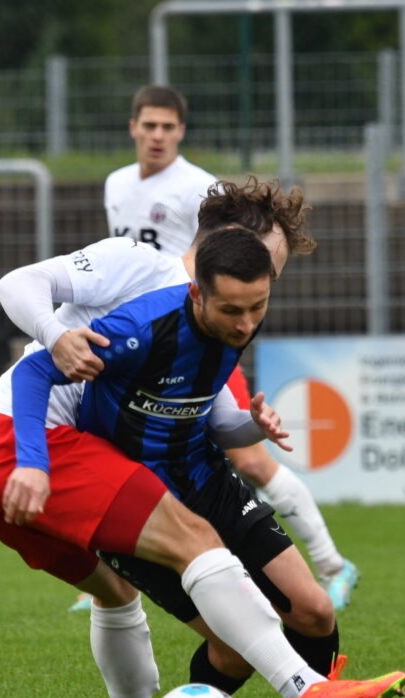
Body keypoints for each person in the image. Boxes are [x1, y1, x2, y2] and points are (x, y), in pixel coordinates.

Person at [0, 179, 405, 698]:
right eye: (263, 257)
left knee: (124, 598)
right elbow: (17, 292)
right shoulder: (144, 275)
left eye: (270, 273)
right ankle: (306, 693)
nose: (265, 275)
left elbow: (214, 414)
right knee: (199, 554)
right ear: (224, 247)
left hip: (34, 458)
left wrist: (251, 425)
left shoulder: (228, 314)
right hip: (22, 439)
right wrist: (56, 337)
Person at [101, 84, 358, 611]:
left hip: (200, 333)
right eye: (148, 125)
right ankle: (119, 573)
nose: (157, 136)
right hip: (156, 339)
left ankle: (332, 564)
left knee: (249, 458)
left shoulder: (198, 186)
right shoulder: (116, 184)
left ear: (182, 132)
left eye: (167, 127)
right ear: (132, 127)